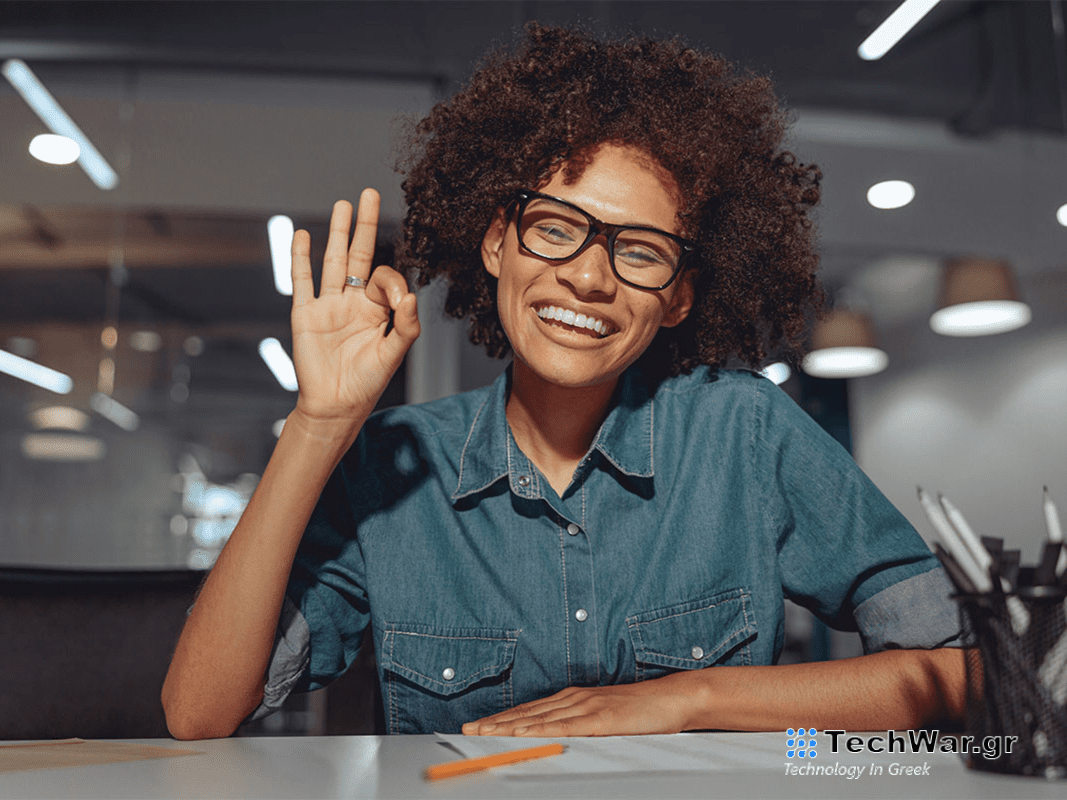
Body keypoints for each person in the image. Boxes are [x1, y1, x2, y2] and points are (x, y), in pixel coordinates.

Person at [162, 23, 965, 740]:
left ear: (678, 296)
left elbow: (961, 670)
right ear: (495, 244)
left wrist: (689, 698)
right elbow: (200, 713)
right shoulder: (393, 461)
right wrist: (319, 422)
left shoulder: (743, 430)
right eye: (554, 228)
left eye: (640, 251)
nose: (587, 278)